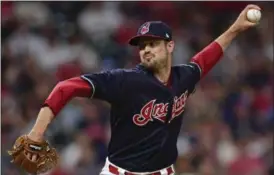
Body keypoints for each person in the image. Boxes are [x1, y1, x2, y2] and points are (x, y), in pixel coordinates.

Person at [12, 4, 261, 175]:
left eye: (153, 43)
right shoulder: (125, 81)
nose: (146, 49)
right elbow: (65, 87)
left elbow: (208, 57)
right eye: (142, 45)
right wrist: (36, 133)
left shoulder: (184, 76)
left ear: (170, 46)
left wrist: (237, 27)